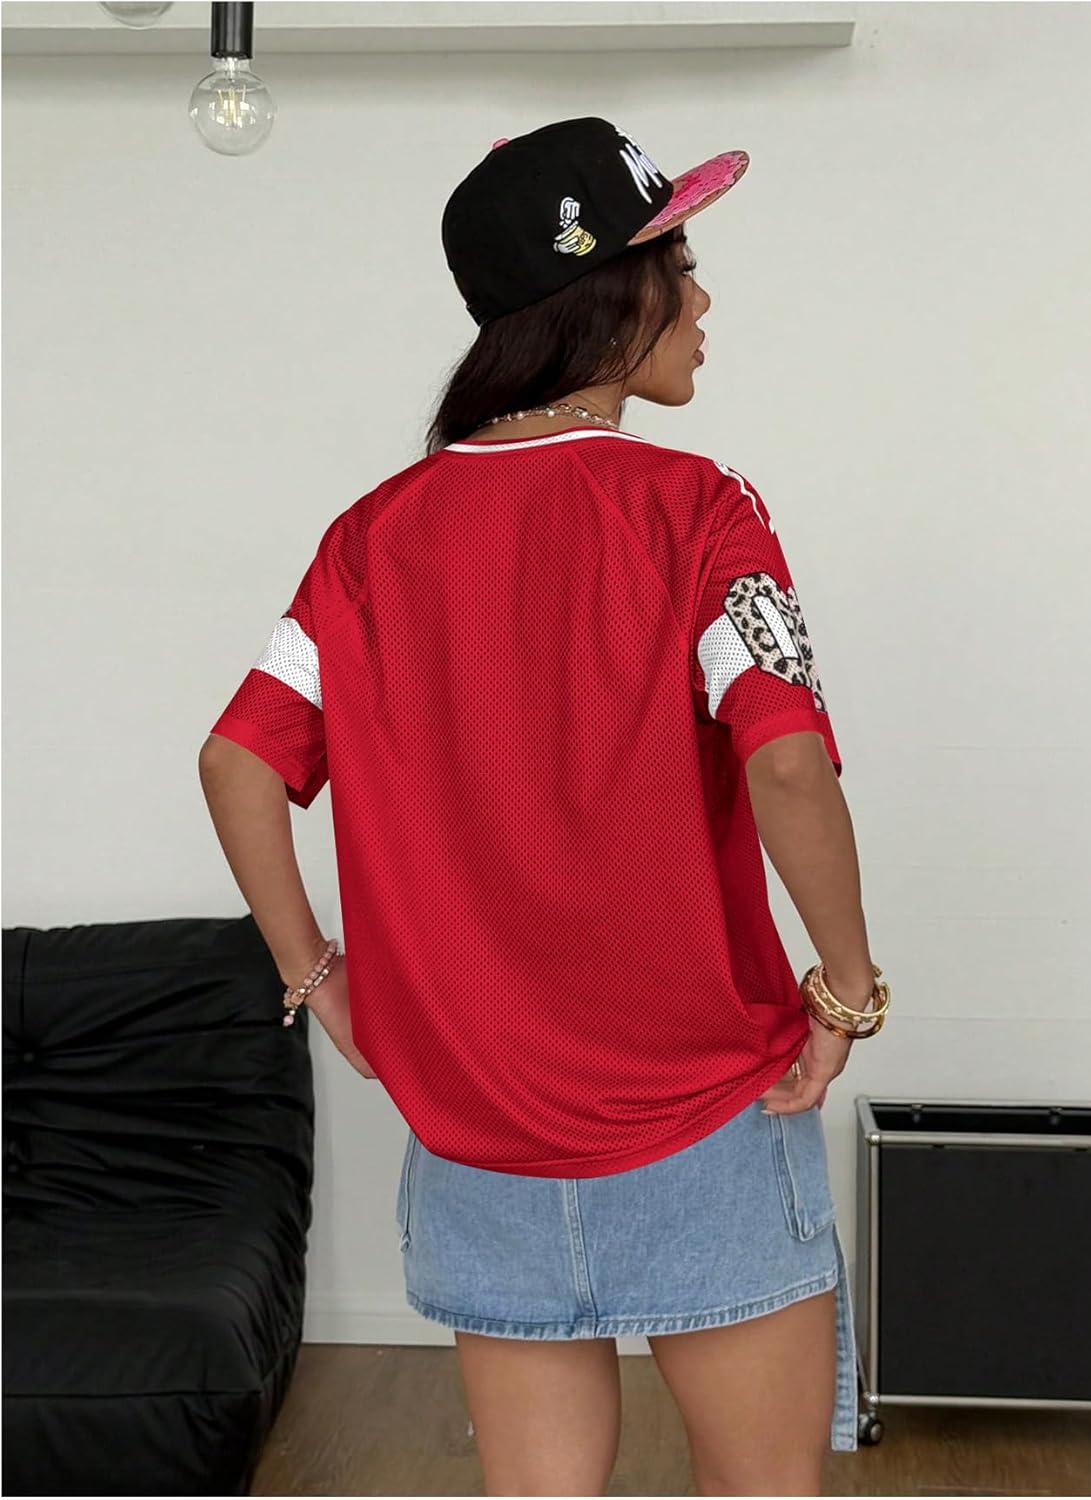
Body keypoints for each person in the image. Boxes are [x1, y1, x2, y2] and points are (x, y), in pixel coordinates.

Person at [199, 117, 889, 1498]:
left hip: (478, 1130)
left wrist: (316, 976)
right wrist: (848, 988)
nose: (702, 299)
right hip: (704, 1103)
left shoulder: (373, 537)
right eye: (678, 266)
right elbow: (786, 762)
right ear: (607, 298)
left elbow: (237, 762)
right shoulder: (696, 509)